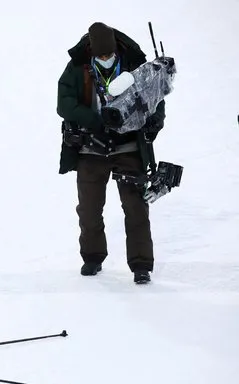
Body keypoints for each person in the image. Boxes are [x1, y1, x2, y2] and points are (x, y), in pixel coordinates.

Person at [57, 22, 166, 284]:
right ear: (92, 52)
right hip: (89, 148)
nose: (106, 60)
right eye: (101, 56)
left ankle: (141, 264)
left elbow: (155, 97)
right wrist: (96, 120)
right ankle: (92, 257)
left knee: (135, 207)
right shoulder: (77, 68)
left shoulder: (133, 66)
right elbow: (64, 104)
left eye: (109, 55)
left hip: (128, 147)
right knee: (89, 209)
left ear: (117, 50)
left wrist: (155, 121)